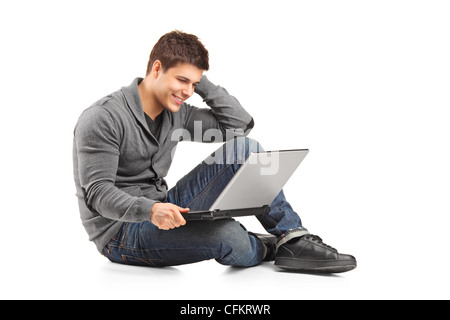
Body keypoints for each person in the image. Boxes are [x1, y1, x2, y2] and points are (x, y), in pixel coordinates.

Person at [73, 30, 356, 273]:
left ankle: (292, 238)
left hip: (165, 206)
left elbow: (240, 126)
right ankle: (264, 247)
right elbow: (97, 193)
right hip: (120, 232)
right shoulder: (102, 118)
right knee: (228, 235)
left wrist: (200, 81)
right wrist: (151, 210)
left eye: (193, 84)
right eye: (182, 80)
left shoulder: (176, 113)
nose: (187, 91)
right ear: (156, 69)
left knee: (245, 149)